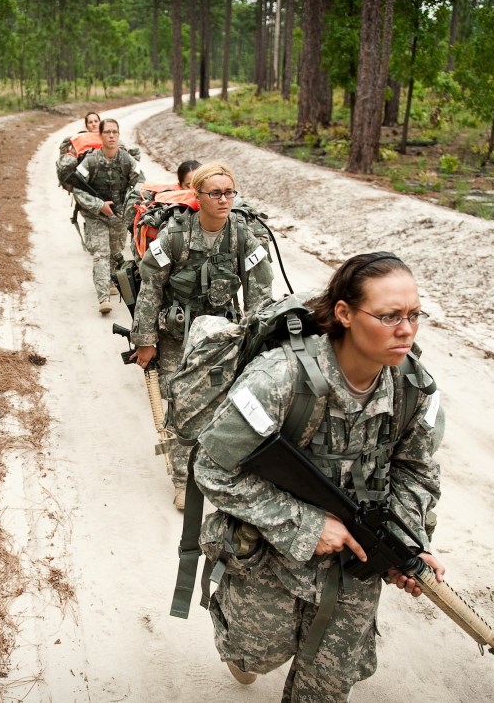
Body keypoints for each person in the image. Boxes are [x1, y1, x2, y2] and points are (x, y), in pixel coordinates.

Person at [191, 252, 446, 699]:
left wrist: (405, 544)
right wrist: (306, 524)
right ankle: (239, 645)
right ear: (345, 314)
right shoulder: (280, 378)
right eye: (388, 317)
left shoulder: (412, 387)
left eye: (413, 315)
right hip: (272, 555)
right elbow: (211, 467)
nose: (406, 330)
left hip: (355, 565)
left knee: (326, 684)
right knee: (254, 653)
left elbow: (417, 471)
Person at [129, 162, 274, 508]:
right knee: (182, 404)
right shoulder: (175, 235)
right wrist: (145, 341)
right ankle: (183, 481)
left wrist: (258, 342)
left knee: (228, 402)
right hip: (177, 335)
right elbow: (150, 287)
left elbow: (260, 292)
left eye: (229, 193)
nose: (224, 200)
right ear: (198, 196)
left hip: (223, 334)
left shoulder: (242, 235)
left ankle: (220, 469)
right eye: (215, 193)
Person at [72, 118, 144, 314]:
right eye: (107, 132)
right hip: (95, 215)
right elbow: (77, 188)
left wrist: (130, 204)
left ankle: (112, 279)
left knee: (116, 251)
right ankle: (103, 298)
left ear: (119, 135)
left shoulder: (126, 159)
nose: (111, 136)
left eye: (115, 132)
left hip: (119, 215)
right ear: (100, 135)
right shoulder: (91, 160)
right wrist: (98, 205)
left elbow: (140, 181)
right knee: (100, 254)